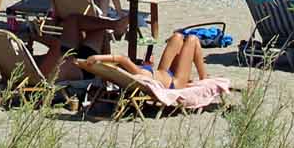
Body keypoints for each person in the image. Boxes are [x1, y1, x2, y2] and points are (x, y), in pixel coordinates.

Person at [82, 31, 215, 89]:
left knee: (177, 37)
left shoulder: (138, 72)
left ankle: (203, 74)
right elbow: (122, 58)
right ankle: (204, 77)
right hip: (175, 83)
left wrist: (148, 65)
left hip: (165, 72)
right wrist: (97, 57)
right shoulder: (135, 73)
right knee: (192, 39)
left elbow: (124, 62)